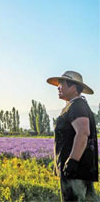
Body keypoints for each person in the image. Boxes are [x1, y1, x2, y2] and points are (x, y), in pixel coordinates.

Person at [47, 71, 99, 202]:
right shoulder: (76, 105)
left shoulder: (77, 106)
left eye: (62, 84)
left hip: (75, 172)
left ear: (74, 87)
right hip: (80, 171)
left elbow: (82, 133)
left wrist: (72, 161)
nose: (58, 87)